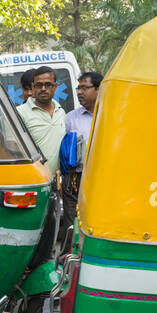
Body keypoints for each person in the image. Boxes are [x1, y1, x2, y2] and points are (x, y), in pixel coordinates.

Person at [62, 70, 101, 228]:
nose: (79, 92)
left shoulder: (110, 115)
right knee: (73, 224)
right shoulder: (71, 118)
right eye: (79, 88)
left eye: (85, 88)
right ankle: (72, 252)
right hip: (75, 180)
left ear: (99, 89)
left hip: (102, 179)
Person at [16, 65, 66, 175]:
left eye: (48, 85)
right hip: (34, 181)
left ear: (55, 87)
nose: (43, 89)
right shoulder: (20, 113)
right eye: (39, 85)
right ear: (33, 87)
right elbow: (13, 149)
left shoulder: (61, 111)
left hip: (58, 182)